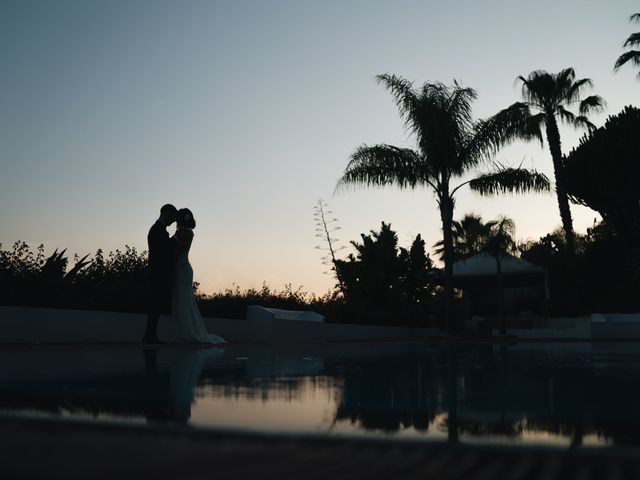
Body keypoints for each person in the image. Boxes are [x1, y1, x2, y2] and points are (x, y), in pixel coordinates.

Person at [170, 208, 226, 344]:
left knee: (184, 299)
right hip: (181, 267)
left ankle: (189, 333)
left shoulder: (187, 233)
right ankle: (184, 332)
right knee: (180, 299)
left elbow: (178, 250)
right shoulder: (182, 232)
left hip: (182, 268)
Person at [143, 204, 178, 344]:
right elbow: (162, 250)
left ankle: (151, 334)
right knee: (154, 304)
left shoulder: (159, 229)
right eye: (173, 217)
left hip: (158, 272)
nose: (173, 221)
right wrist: (175, 240)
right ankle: (149, 335)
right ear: (167, 213)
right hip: (157, 272)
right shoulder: (157, 230)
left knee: (156, 305)